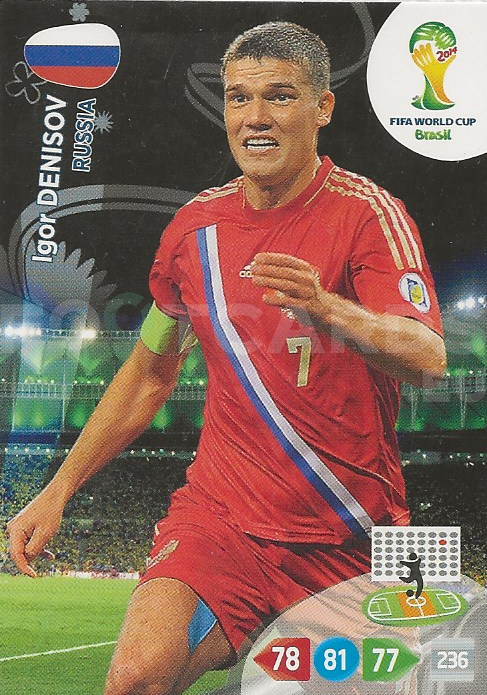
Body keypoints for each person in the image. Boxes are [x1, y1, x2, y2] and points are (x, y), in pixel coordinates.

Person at [7, 22, 445, 695]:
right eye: (239, 98)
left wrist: (328, 308)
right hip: (223, 519)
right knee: (135, 677)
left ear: (322, 107)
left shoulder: (369, 215)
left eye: (279, 96)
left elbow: (428, 357)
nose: (254, 117)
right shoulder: (195, 230)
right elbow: (149, 372)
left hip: (351, 534)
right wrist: (59, 488)